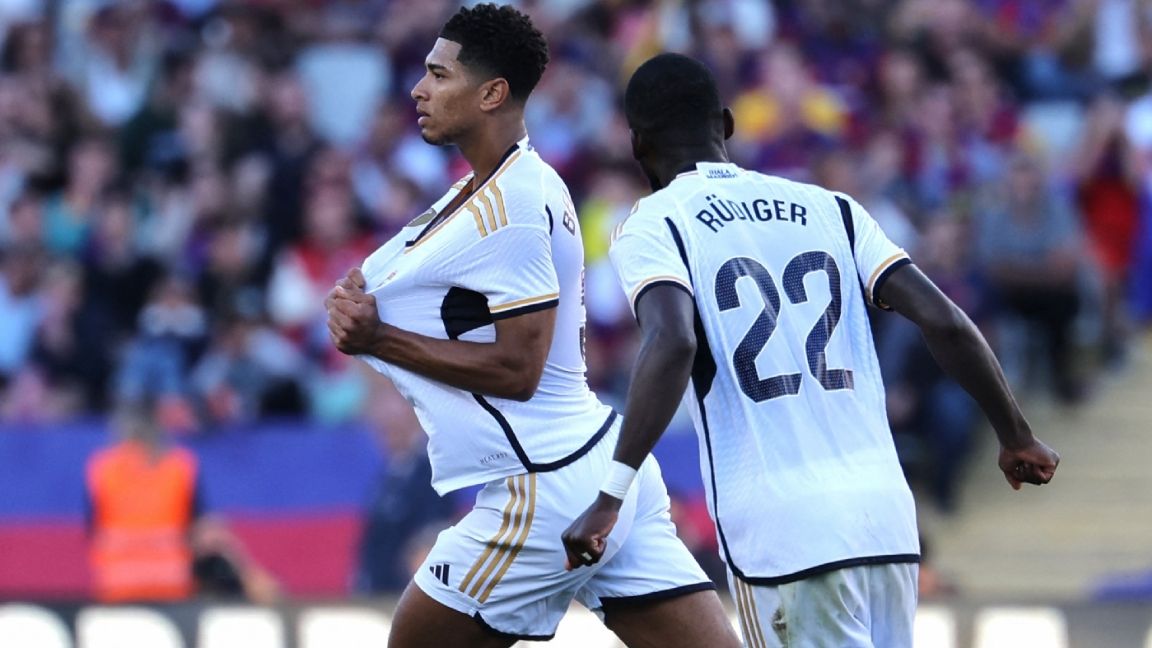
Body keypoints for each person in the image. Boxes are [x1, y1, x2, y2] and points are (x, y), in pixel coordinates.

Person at [562, 53, 1060, 648]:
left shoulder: (654, 224)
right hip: (886, 520)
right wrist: (1015, 435)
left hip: (785, 534)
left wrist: (611, 495)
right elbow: (945, 320)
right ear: (727, 124)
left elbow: (673, 341)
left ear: (636, 144)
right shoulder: (833, 209)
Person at [324, 6, 740, 648]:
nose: (419, 89)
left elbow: (519, 369)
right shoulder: (494, 188)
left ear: (491, 93)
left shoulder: (513, 202)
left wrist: (379, 339)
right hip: (598, 464)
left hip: (542, 484)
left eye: (439, 74)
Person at [85, 396, 204, 603]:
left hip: (118, 583)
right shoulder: (180, 466)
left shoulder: (103, 467)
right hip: (171, 582)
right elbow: (199, 528)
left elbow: (93, 529)